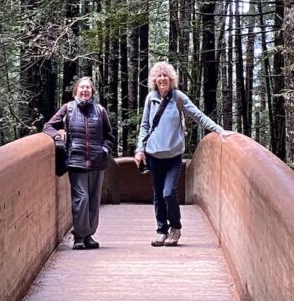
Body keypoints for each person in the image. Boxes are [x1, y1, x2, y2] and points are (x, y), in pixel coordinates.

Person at [134, 61, 231, 247]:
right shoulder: (150, 98)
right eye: (159, 76)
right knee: (158, 195)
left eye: (166, 76)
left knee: (168, 192)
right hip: (154, 155)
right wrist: (140, 149)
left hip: (173, 156)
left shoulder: (177, 97)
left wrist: (219, 130)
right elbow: (145, 125)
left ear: (171, 79)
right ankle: (161, 230)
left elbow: (198, 115)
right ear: (154, 79)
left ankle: (175, 228)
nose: (162, 79)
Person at [44, 77, 116, 250]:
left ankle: (89, 235)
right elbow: (48, 126)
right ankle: (79, 236)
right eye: (82, 88)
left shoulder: (100, 110)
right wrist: (57, 137)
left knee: (93, 200)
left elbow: (109, 136)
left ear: (92, 91)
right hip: (76, 161)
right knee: (81, 199)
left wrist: (105, 150)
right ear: (76, 90)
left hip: (97, 162)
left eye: (88, 88)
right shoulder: (68, 109)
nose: (85, 90)